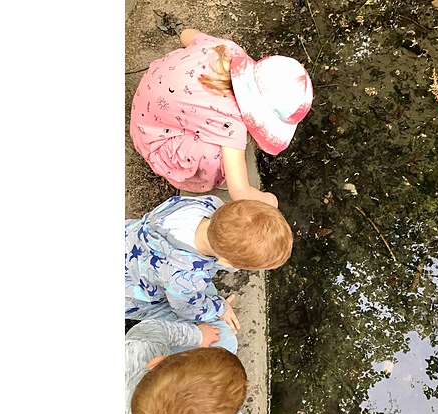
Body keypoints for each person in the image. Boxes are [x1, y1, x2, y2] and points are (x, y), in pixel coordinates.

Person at [129, 28, 314, 208]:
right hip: (153, 138)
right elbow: (240, 192)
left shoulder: (229, 50)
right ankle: (195, 181)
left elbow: (187, 34)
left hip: (149, 100)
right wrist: (270, 200)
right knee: (216, 158)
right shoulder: (231, 123)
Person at [125, 195, 293, 342]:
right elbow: (187, 308)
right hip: (134, 292)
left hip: (130, 243)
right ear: (226, 262)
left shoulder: (207, 205)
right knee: (219, 333)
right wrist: (220, 307)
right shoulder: (187, 280)